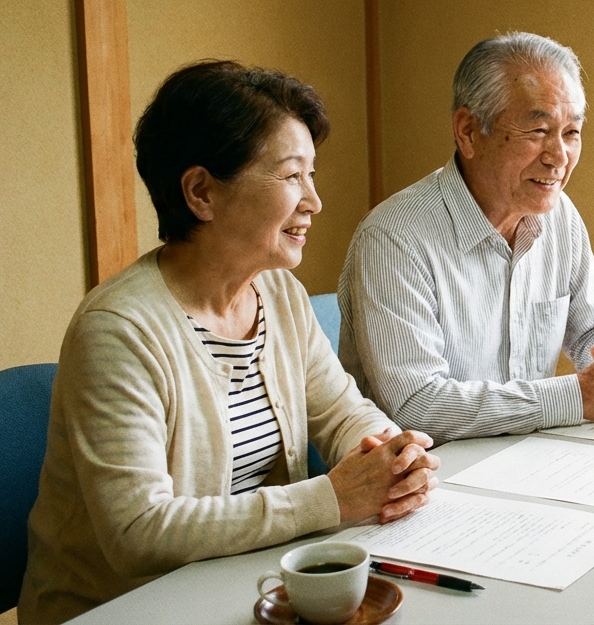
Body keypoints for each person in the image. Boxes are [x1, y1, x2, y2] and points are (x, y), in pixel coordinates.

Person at [20, 61, 441, 623]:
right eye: (291, 176)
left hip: (244, 587)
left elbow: (343, 414)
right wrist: (331, 499)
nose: (313, 201)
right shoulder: (117, 331)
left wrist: (393, 455)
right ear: (201, 192)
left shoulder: (279, 294)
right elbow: (137, 531)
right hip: (125, 610)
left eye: (311, 175)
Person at [338, 32, 594, 442]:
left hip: (528, 455)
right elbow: (417, 405)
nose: (559, 158)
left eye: (571, 133)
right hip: (430, 471)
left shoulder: (559, 215)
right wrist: (577, 397)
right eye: (538, 130)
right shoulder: (393, 238)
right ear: (468, 132)